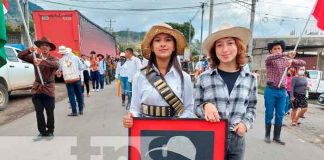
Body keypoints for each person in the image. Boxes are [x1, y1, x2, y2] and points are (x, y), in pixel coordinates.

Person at [194, 23, 257, 160]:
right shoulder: (204, 78)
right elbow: (196, 107)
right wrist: (205, 106)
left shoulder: (250, 78)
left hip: (237, 139)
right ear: (214, 50)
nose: (225, 49)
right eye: (219, 45)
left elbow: (252, 107)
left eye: (230, 43)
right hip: (210, 136)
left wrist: (245, 124)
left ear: (238, 47)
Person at [123, 23, 194, 128]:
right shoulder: (139, 76)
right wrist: (130, 117)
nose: (163, 44)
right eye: (157, 40)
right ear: (152, 47)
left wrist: (176, 126)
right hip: (146, 130)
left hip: (174, 133)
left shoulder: (185, 78)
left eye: (168, 40)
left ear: (174, 46)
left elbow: (188, 109)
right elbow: (135, 108)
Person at [264, 40, 305, 145]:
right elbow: (270, 57)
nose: (277, 51)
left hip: (282, 91)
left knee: (280, 114)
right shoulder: (269, 60)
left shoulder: (286, 60)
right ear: (271, 51)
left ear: (282, 49)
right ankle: (267, 135)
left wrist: (292, 61)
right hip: (270, 90)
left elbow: (302, 63)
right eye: (275, 49)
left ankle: (277, 137)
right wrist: (286, 54)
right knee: (269, 113)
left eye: (279, 48)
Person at [18, 37, 59, 137]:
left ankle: (50, 130)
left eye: (47, 45)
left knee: (50, 112)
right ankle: (42, 131)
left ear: (49, 48)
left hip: (48, 89)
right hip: (37, 89)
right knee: (39, 112)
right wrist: (29, 50)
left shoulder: (53, 58)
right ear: (40, 47)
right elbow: (20, 56)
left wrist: (42, 62)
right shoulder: (35, 57)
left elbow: (56, 64)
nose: (44, 47)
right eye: (42, 45)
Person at [56, 46, 84, 116]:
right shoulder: (76, 57)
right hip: (77, 78)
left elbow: (59, 70)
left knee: (71, 96)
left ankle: (74, 112)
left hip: (68, 80)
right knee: (79, 94)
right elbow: (81, 67)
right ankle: (81, 110)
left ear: (61, 53)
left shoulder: (61, 60)